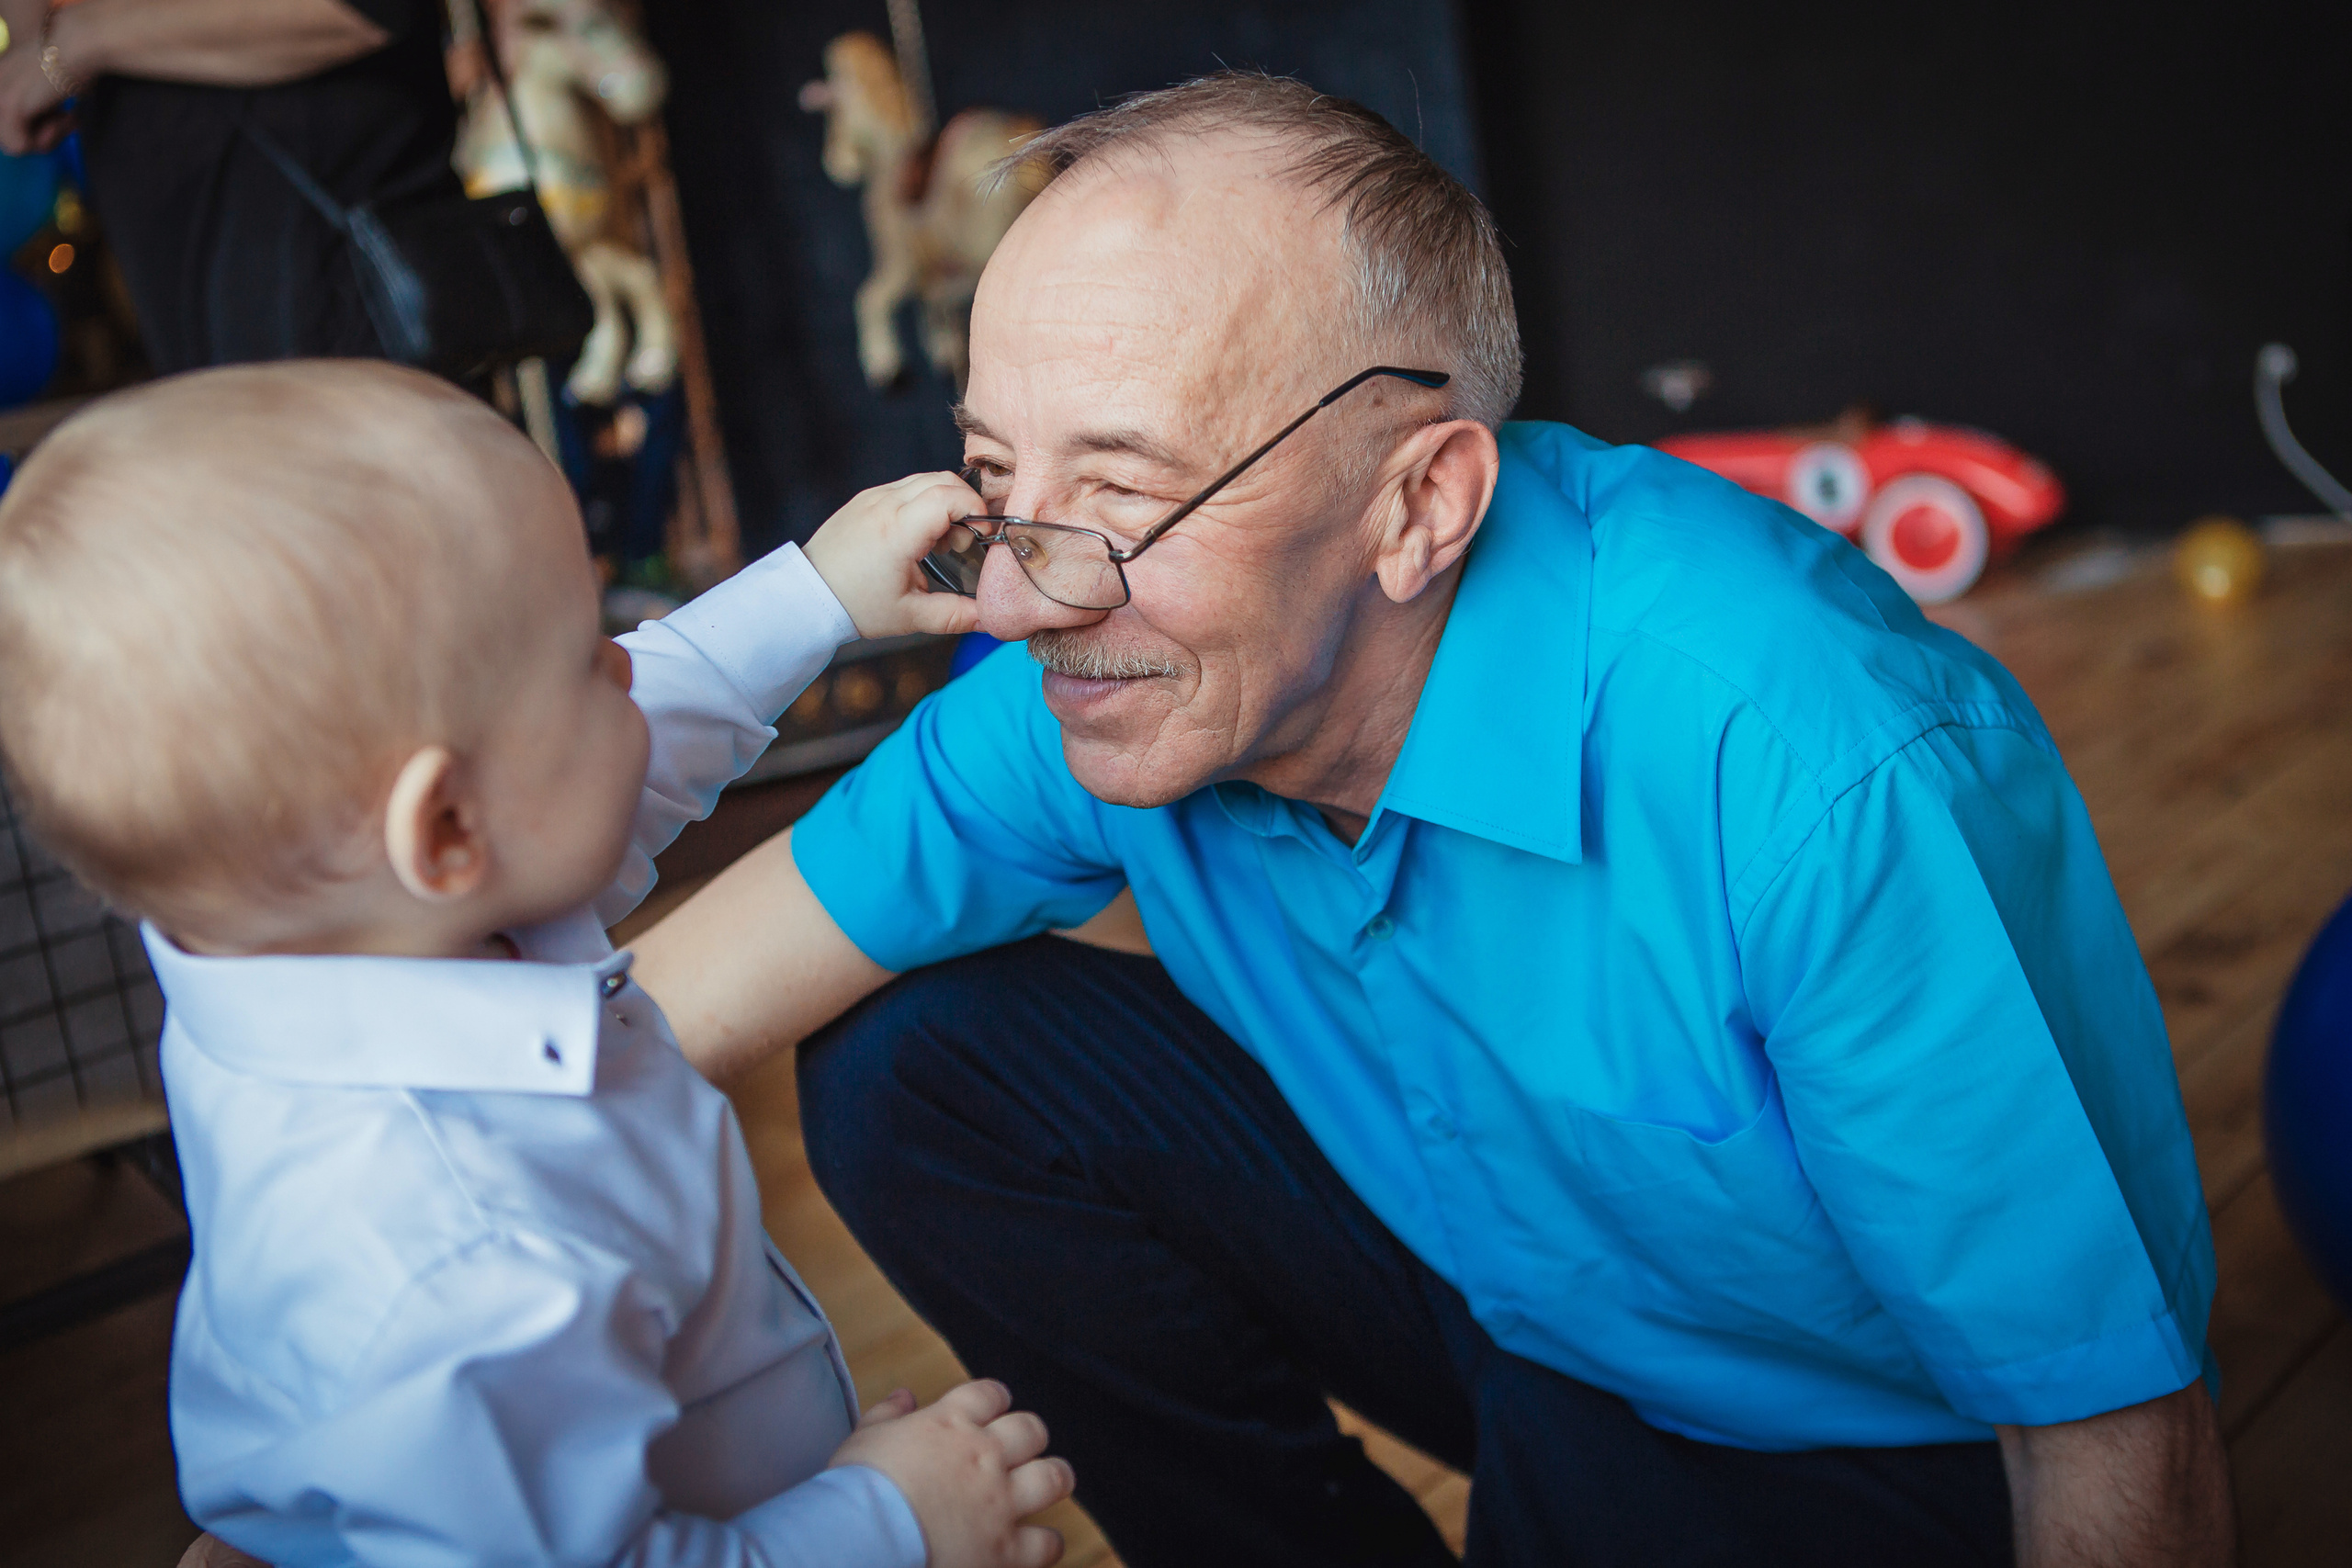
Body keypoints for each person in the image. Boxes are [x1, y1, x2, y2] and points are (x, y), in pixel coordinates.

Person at [633, 73, 2237, 1567]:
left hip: (1870, 1452)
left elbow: (2110, 1431)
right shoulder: (1111, 653)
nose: (1010, 590)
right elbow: (628, 1034)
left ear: (1418, 505)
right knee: (915, 1065)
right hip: (1517, 1305)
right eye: (997, 474)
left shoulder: (1807, 764)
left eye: (1120, 490)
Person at [0, 361, 1077, 1568]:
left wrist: (815, 594)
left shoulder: (347, 927)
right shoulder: (450, 1262)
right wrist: (885, 1520)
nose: (630, 659)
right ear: (447, 830)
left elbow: (621, 746)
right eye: (585, 652)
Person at [0, 0, 458, 368]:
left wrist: (86, 36)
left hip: (321, 229)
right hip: (182, 235)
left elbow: (370, 10)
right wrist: (45, 44)